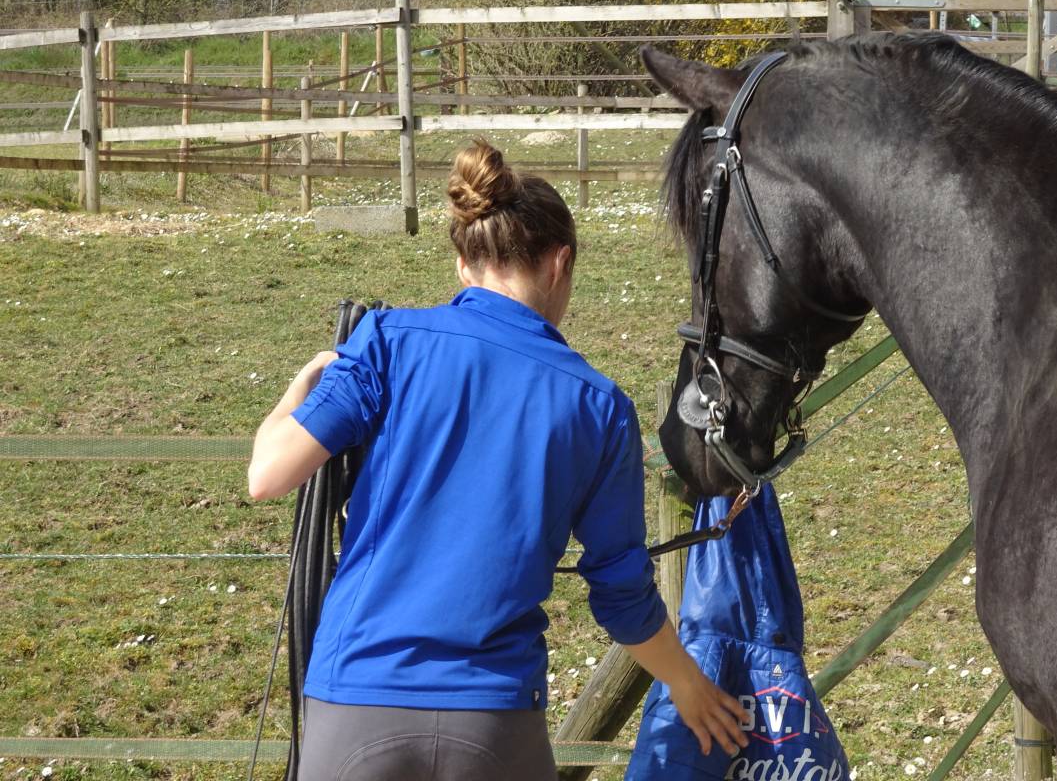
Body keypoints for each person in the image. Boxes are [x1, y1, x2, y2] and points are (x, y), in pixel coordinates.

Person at [248, 140, 747, 781]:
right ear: (560, 263)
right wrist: (687, 685)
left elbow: (267, 475)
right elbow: (621, 593)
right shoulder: (599, 406)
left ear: (464, 264)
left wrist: (301, 385)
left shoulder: (388, 344)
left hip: (356, 700)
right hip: (495, 721)